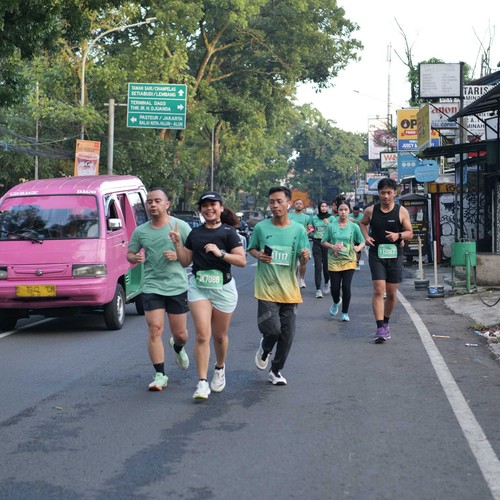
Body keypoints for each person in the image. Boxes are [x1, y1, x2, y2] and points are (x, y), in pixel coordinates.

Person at [170, 191, 246, 400]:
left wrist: (220, 253)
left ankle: (219, 368)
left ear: (221, 207)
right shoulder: (195, 234)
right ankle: (202, 382)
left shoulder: (229, 233)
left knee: (219, 336)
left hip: (223, 289)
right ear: (201, 210)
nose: (209, 208)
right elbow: (185, 262)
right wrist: (177, 243)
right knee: (203, 335)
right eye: (205, 205)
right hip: (199, 288)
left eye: (213, 204)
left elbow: (241, 261)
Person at [127, 188, 191, 392]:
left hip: (176, 286)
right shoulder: (141, 231)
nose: (153, 205)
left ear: (167, 204)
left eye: (157, 201)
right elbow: (130, 253)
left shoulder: (181, 226)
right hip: (152, 286)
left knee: (181, 334)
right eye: (149, 202)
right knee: (154, 329)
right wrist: (135, 257)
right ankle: (160, 374)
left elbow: (190, 257)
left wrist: (178, 253)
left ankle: (178, 346)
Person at [248, 186, 310, 386]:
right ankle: (265, 348)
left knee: (287, 335)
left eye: (279, 201)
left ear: (288, 204)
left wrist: (305, 256)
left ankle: (275, 371)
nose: (275, 205)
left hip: (290, 290)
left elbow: (303, 259)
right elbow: (252, 249)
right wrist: (259, 255)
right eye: (272, 202)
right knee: (273, 330)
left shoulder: (298, 230)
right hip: (267, 287)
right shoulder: (261, 228)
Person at [359, 178, 413, 343]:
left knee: (391, 293)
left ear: (395, 193)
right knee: (378, 290)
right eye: (383, 193)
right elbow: (362, 223)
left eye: (389, 193)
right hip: (377, 253)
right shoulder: (371, 210)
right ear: (378, 193)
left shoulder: (401, 211)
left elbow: (410, 233)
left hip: (395, 254)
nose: (386, 196)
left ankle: (386, 322)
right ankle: (380, 327)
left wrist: (398, 235)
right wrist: (366, 237)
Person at [321, 202, 365, 322]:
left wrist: (358, 248)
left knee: (346, 287)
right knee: (334, 288)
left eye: (346, 209)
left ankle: (345, 313)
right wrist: (332, 246)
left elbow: (362, 241)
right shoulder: (331, 226)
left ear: (349, 211)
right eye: (341, 210)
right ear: (338, 211)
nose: (343, 212)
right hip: (334, 261)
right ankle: (336, 302)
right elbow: (323, 241)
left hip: (349, 260)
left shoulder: (354, 227)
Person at [308, 200, 335, 298]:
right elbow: (311, 229)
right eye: (322, 206)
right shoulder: (314, 218)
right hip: (317, 243)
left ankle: (327, 282)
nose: (324, 208)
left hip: (327, 243)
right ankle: (318, 289)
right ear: (319, 208)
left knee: (326, 267)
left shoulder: (331, 218)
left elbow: (334, 230)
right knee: (318, 267)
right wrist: (309, 231)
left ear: (327, 208)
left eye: (325, 206)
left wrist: (328, 224)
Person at [288, 199, 312, 288]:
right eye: (297, 204)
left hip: (303, 242)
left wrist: (307, 232)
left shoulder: (307, 217)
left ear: (303, 206)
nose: (298, 205)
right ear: (294, 205)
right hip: (292, 242)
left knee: (303, 261)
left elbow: (311, 228)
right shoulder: (289, 216)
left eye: (300, 204)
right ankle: (294, 279)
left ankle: (301, 279)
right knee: (293, 263)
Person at [349, 205, 364, 270]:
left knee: (358, 250)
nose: (356, 212)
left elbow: (365, 224)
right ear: (352, 211)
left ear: (359, 211)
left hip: (359, 235)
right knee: (350, 249)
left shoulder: (362, 216)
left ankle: (357, 263)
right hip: (350, 235)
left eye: (357, 211)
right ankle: (350, 262)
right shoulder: (349, 216)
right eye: (354, 211)